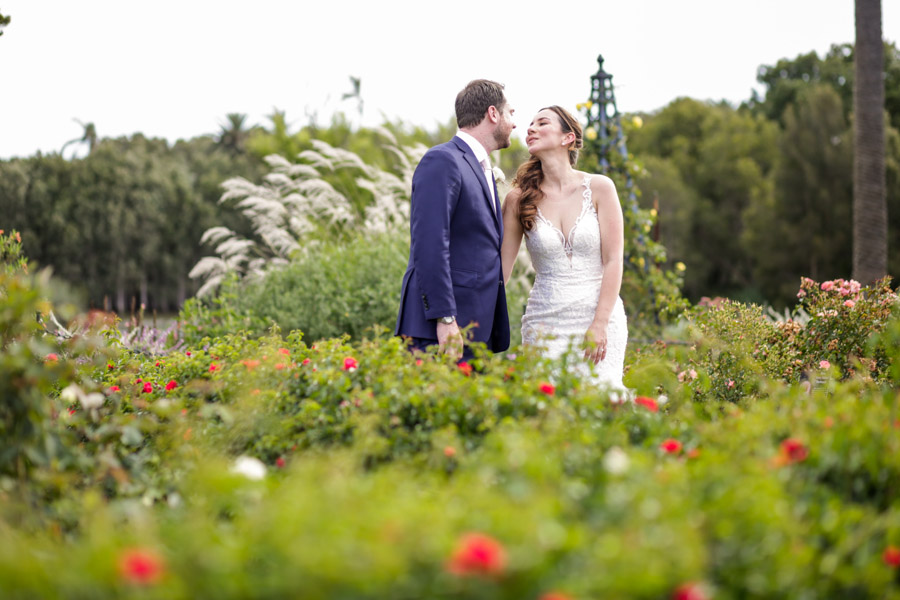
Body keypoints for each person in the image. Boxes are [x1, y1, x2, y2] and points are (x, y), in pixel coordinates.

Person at [501, 105, 628, 390]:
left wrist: (600, 323)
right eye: (530, 124)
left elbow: (614, 260)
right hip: (544, 324)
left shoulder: (601, 188)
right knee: (551, 411)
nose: (530, 128)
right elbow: (501, 272)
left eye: (542, 123)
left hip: (599, 319)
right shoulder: (517, 200)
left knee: (602, 403)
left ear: (567, 138)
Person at [395, 79, 516, 361]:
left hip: (476, 328)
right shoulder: (443, 160)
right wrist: (445, 318)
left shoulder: (482, 168)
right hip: (440, 329)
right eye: (511, 112)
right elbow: (429, 244)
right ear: (493, 113)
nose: (514, 123)